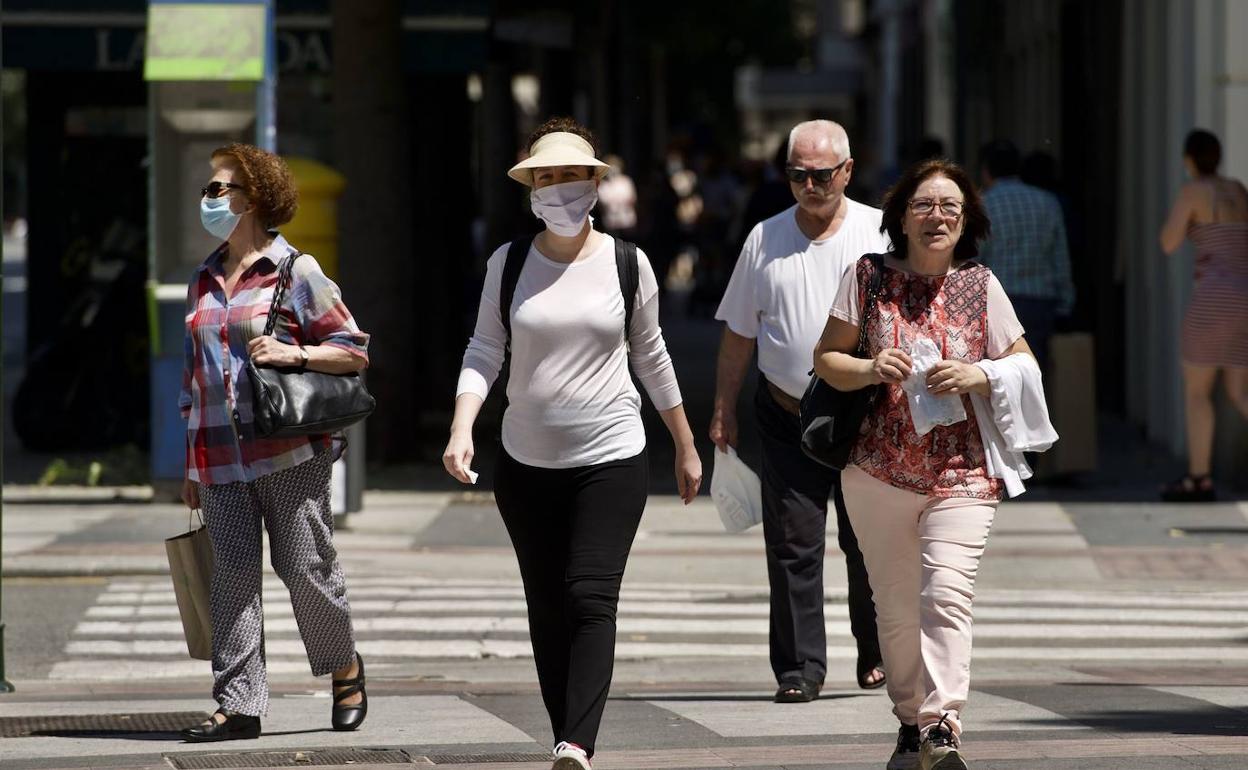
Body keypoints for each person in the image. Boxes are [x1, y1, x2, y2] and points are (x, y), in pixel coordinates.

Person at [444, 117, 702, 770]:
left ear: (595, 184)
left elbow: (652, 354)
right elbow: (484, 349)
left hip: (612, 455)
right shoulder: (508, 264)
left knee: (590, 595)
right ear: (531, 188)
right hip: (525, 462)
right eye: (547, 178)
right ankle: (567, 732)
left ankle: (575, 743)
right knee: (547, 602)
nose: (560, 190)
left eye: (572, 177)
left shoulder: (627, 263)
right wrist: (461, 426)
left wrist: (685, 441)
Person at [815, 159, 1055, 770]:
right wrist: (871, 367)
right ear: (900, 218)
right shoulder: (867, 276)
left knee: (947, 595)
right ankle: (907, 717)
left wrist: (981, 373)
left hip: (962, 475)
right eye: (924, 205)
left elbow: (1024, 365)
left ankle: (941, 723)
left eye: (950, 206)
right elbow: (827, 359)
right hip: (876, 470)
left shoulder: (981, 286)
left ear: (966, 219)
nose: (937, 216)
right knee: (894, 607)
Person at [177, 144, 370, 741]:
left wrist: (296, 352)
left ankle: (344, 666)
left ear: (253, 199)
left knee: (306, 567)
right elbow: (194, 380)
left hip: (287, 450)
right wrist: (190, 462)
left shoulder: (296, 271)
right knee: (231, 576)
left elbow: (354, 350)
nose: (208, 199)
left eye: (219, 190)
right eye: (208, 190)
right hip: (216, 456)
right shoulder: (203, 279)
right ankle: (240, 705)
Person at [711, 119, 886, 703]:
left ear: (848, 172)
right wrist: (722, 408)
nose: (810, 185)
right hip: (785, 414)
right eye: (797, 175)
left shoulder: (879, 233)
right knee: (793, 543)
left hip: (866, 415)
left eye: (822, 174)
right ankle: (799, 670)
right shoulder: (764, 239)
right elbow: (739, 333)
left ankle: (877, 648)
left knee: (870, 542)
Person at [1158, 129, 1248, 501]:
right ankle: (1199, 477)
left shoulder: (1194, 191)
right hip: (1244, 298)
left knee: (1197, 392)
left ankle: (1199, 477)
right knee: (1240, 390)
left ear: (1189, 159)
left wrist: (1194, 227)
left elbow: (1168, 241)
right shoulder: (1239, 191)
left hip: (1212, 300)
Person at [978, 140, 1074, 374]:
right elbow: (1059, 256)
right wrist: (1066, 301)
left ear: (986, 171)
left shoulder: (984, 204)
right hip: (1041, 300)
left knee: (999, 372)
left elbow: (976, 256)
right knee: (1035, 369)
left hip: (999, 299)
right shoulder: (1047, 202)